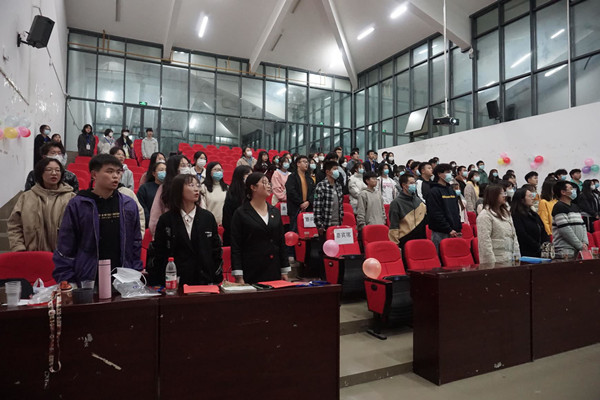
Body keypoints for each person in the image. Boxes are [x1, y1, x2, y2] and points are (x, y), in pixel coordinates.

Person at [52, 154, 143, 283]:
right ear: (94, 174)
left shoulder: (128, 204)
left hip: (122, 277)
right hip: (87, 277)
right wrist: (67, 279)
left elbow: (136, 242)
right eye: (109, 171)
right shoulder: (79, 204)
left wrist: (135, 271)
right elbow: (66, 245)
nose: (115, 176)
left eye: (118, 172)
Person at [151, 174, 223, 286]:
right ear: (179, 189)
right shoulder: (166, 220)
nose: (196, 189)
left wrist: (215, 276)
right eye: (191, 185)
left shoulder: (207, 217)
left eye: (197, 185)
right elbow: (159, 252)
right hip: (176, 281)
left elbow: (216, 250)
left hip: (204, 281)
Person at [231, 173, 290, 283]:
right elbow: (236, 246)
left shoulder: (275, 212)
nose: (268, 186)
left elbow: (281, 242)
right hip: (252, 269)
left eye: (269, 183)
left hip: (273, 268)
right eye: (264, 182)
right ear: (253, 187)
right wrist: (238, 275)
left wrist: (284, 270)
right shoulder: (241, 213)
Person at [8, 158, 76, 252]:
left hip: (63, 256)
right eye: (49, 170)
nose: (54, 173)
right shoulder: (26, 197)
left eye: (57, 170)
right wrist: (18, 248)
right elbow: (14, 225)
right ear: (40, 173)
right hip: (32, 254)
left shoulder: (71, 198)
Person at [149, 155, 193, 236]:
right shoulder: (164, 188)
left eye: (188, 165)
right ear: (174, 168)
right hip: (170, 233)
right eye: (183, 165)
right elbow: (155, 216)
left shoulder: (194, 186)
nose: (187, 168)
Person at [477, 184, 520, 264]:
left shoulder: (506, 213)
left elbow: (514, 236)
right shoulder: (485, 216)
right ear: (493, 195)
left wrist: (517, 256)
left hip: (510, 258)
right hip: (496, 261)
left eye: (505, 193)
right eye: (501, 193)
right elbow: (485, 243)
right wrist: (491, 264)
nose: (504, 196)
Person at [426, 164, 462, 252]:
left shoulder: (451, 190)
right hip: (441, 232)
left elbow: (456, 210)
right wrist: (448, 229)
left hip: (454, 231)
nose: (450, 175)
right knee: (441, 256)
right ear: (439, 174)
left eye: (450, 172)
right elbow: (435, 213)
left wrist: (458, 228)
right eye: (447, 172)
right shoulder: (433, 192)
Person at [388, 174, 427, 248]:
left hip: (421, 238)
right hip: (405, 240)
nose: (414, 185)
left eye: (414, 183)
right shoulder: (396, 203)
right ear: (404, 185)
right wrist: (395, 243)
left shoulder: (418, 201)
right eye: (411, 183)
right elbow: (394, 225)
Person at [551, 181, 588, 257]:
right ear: (563, 192)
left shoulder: (575, 206)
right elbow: (565, 230)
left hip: (579, 249)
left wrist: (585, 243)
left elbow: (583, 226)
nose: (574, 191)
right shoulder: (559, 207)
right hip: (565, 250)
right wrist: (580, 245)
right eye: (571, 188)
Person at [511, 188, 549, 257]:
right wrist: (537, 246)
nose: (532, 198)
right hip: (526, 252)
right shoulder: (516, 215)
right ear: (522, 199)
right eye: (529, 196)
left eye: (532, 196)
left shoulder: (534, 214)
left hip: (540, 251)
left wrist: (545, 245)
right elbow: (522, 234)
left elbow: (543, 230)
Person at [222, 165, 253, 246]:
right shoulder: (232, 195)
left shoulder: (252, 194)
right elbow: (227, 221)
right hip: (234, 237)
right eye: (248, 174)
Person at [285, 156, 315, 232]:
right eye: (304, 162)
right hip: (296, 208)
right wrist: (301, 203)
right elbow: (291, 192)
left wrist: (308, 202)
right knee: (295, 231)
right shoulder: (292, 177)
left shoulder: (310, 179)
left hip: (308, 208)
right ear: (298, 164)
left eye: (307, 162)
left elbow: (315, 193)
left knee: (308, 232)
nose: (306, 164)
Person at [314, 160, 344, 236]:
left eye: (337, 169)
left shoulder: (338, 186)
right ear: (327, 172)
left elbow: (341, 205)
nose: (337, 171)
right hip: (325, 224)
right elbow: (317, 207)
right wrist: (319, 225)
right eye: (334, 169)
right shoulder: (321, 186)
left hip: (338, 223)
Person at [137, 161, 166, 228]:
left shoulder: (170, 187)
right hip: (149, 223)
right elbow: (141, 206)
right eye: (161, 170)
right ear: (154, 173)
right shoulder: (145, 188)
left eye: (166, 170)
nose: (164, 172)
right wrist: (150, 220)